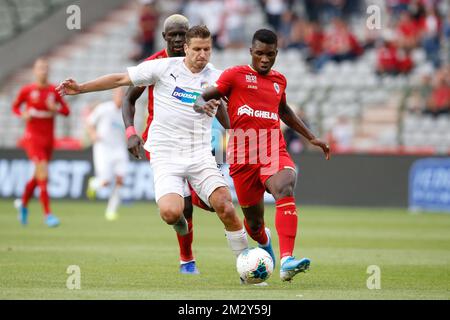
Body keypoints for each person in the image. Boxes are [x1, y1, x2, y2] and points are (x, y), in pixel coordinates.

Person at [56, 25, 249, 279]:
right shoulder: (163, 67)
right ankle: (180, 225)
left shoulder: (218, 77)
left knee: (225, 205)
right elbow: (119, 80)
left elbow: (238, 109)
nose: (203, 55)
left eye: (207, 49)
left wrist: (239, 120)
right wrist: (81, 88)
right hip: (165, 154)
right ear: (187, 49)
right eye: (198, 49)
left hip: (199, 153)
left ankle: (247, 266)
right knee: (171, 213)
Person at [194, 29, 330, 282]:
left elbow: (284, 111)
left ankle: (288, 260)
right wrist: (201, 104)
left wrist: (311, 137)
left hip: (271, 147)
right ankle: (265, 243)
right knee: (254, 225)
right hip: (242, 153)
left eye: (270, 54)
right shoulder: (235, 75)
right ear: (251, 52)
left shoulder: (279, 81)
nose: (264, 59)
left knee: (284, 186)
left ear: (276, 53)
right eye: (259, 54)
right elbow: (206, 95)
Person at [123, 14, 214, 275]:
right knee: (181, 209)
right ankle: (187, 259)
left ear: (189, 38)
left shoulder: (200, 63)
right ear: (163, 38)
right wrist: (131, 131)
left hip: (196, 141)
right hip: (163, 143)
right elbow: (128, 100)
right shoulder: (155, 65)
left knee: (208, 204)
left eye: (181, 34)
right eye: (171, 35)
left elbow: (216, 97)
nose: (176, 39)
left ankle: (200, 201)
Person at [12, 58, 70, 227]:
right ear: (35, 71)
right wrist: (22, 115)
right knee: (43, 172)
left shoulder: (53, 91)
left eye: (45, 68)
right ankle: (48, 214)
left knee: (38, 176)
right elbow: (15, 107)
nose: (43, 71)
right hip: (33, 138)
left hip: (48, 139)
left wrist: (55, 109)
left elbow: (66, 111)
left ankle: (23, 204)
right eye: (40, 68)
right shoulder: (27, 91)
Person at [85, 88, 129, 221]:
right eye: (118, 94)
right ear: (113, 95)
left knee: (120, 179)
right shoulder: (104, 108)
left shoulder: (127, 112)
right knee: (105, 182)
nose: (120, 97)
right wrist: (92, 134)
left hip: (119, 148)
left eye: (122, 94)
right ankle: (94, 184)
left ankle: (111, 210)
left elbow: (129, 130)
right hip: (103, 148)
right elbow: (89, 122)